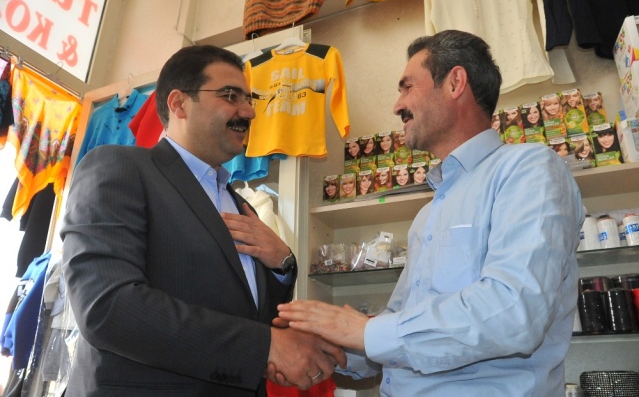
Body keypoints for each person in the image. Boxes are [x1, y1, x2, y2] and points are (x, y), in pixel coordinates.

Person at [277, 30, 584, 396]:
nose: (397, 106)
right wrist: (325, 349)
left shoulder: (529, 169)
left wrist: (364, 331)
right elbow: (401, 331)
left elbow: (515, 311)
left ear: (455, 83)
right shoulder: (428, 214)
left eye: (407, 87)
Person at [60, 45, 345, 396]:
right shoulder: (119, 167)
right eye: (230, 95)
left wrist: (283, 265)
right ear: (179, 103)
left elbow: (251, 313)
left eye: (249, 99)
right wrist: (266, 346)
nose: (249, 112)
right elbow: (107, 307)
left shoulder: (241, 205)